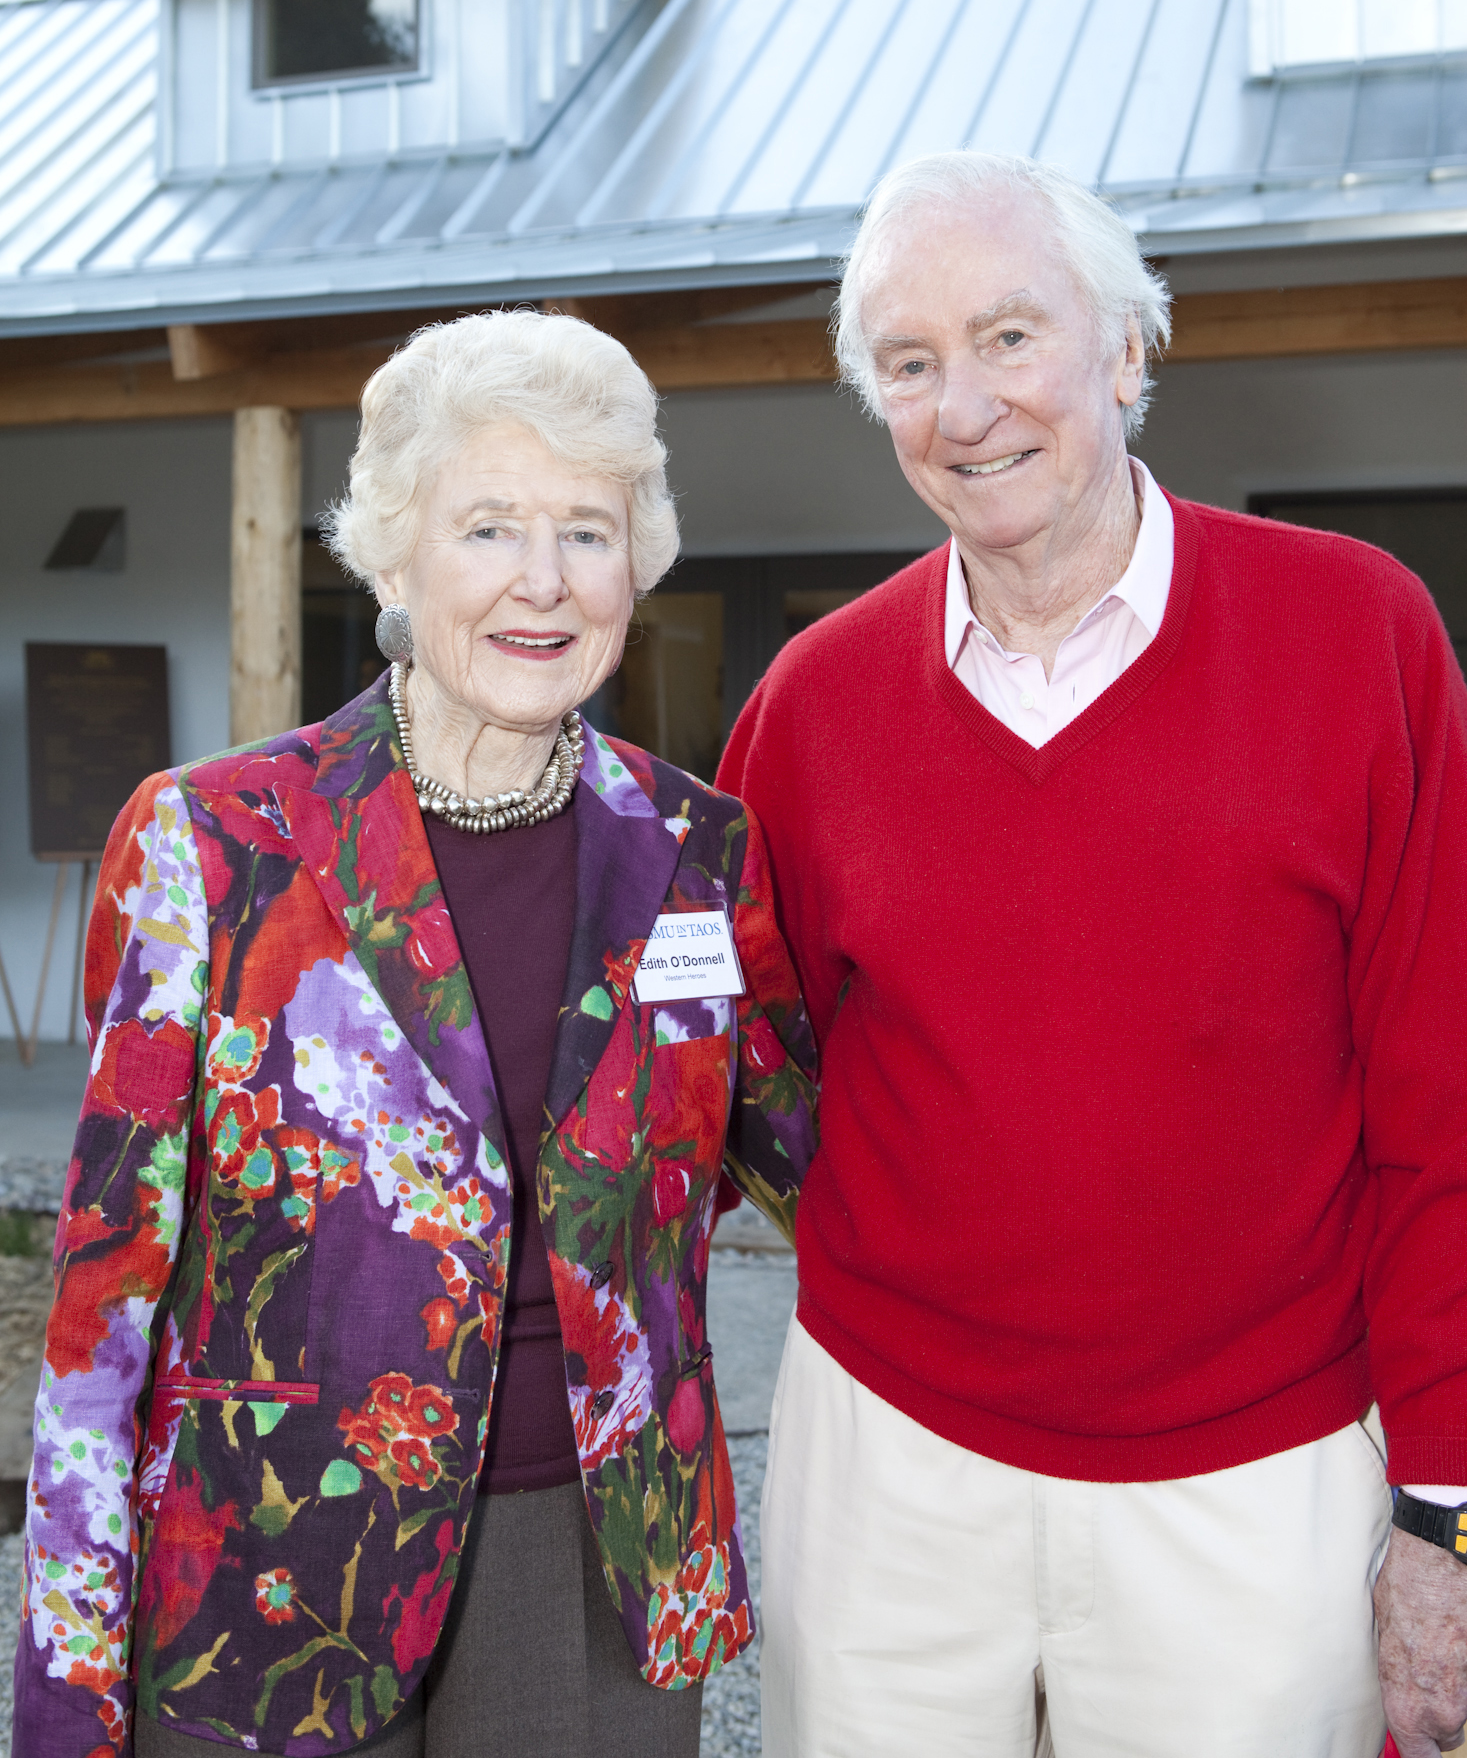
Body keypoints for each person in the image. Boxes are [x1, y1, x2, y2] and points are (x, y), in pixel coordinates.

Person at [718, 150, 1467, 1758]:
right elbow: (728, 1074)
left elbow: (1443, 1094)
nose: (964, 405)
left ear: (1128, 350)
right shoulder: (812, 704)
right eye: (909, 366)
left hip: (1260, 1468)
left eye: (1008, 337)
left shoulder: (1361, 638)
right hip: (889, 1461)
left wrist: (1448, 1507)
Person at [15, 309, 818, 1758]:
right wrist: (67, 1688)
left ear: (637, 561)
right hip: (270, 1570)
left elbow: (842, 1168)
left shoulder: (696, 845)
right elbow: (103, 1292)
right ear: (392, 557)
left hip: (598, 1569)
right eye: (489, 528)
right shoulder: (212, 844)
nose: (543, 582)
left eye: (588, 530)